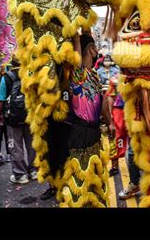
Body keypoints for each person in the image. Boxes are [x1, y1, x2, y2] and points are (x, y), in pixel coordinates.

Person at [40, 34, 112, 205]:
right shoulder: (77, 73)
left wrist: (111, 124)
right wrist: (77, 37)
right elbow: (78, 50)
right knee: (80, 174)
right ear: (89, 50)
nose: (97, 51)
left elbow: (101, 104)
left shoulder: (94, 75)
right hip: (80, 132)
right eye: (94, 47)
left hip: (94, 131)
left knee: (93, 172)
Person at [0, 57, 36, 184]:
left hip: (12, 118)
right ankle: (34, 171)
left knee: (15, 146)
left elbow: (0, 99)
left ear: (11, 64)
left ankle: (20, 175)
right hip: (30, 115)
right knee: (32, 144)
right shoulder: (30, 74)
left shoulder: (6, 77)